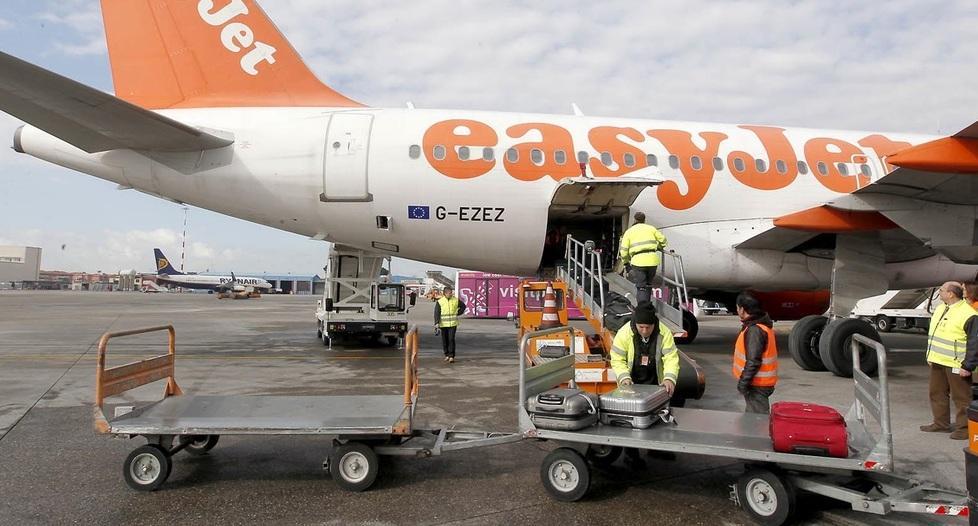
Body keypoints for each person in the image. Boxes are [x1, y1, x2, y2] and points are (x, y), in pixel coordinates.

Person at [609, 301, 680, 466]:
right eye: (641, 327)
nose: (645, 331)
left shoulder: (664, 332)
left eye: (649, 327)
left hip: (655, 380)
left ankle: (657, 449)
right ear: (635, 323)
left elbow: (671, 358)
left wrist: (669, 378)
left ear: (654, 324)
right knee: (631, 420)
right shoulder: (625, 332)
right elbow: (617, 358)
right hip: (631, 381)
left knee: (658, 416)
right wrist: (624, 377)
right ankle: (631, 455)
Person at [921, 282, 978, 440]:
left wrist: (968, 365)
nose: (939, 292)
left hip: (956, 363)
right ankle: (940, 423)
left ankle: (964, 428)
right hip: (938, 360)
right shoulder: (941, 308)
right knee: (937, 393)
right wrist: (929, 355)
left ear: (951, 294)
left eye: (942, 290)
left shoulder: (968, 313)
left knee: (961, 397)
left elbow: (975, 342)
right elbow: (934, 335)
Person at [731, 292, 778, 414]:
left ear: (742, 309)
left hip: (757, 384)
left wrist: (743, 383)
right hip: (758, 383)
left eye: (737, 307)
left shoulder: (755, 330)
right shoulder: (759, 326)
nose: (737, 311)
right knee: (752, 420)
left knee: (757, 422)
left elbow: (753, 361)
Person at [617, 212, 667, 304]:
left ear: (635, 219)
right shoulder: (651, 228)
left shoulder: (629, 231)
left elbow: (623, 251)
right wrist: (659, 246)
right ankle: (647, 306)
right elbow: (663, 240)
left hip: (638, 261)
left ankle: (642, 309)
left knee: (641, 287)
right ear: (644, 219)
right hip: (652, 261)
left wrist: (626, 262)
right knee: (648, 284)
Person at [434, 286, 466, 363]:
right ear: (445, 293)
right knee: (445, 340)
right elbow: (437, 313)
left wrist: (458, 313)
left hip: (453, 324)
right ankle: (446, 354)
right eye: (449, 293)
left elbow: (463, 306)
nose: (451, 294)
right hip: (443, 324)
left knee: (451, 339)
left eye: (451, 292)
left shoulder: (455, 300)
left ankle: (451, 356)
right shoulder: (440, 301)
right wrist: (436, 322)